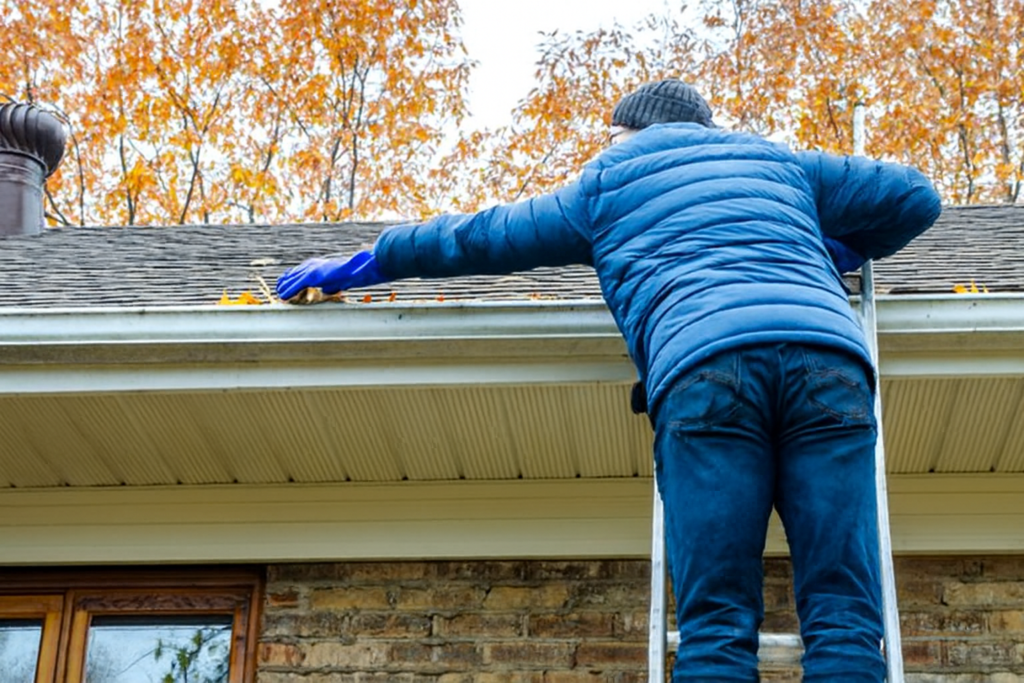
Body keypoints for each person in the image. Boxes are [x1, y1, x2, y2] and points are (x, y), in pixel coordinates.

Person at [276, 79, 941, 682]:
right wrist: (842, 250)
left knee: (714, 627)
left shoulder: (607, 178)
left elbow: (480, 236)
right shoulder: (779, 162)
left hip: (706, 369)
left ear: (626, 133)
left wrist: (363, 262)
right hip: (829, 365)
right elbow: (916, 196)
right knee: (846, 618)